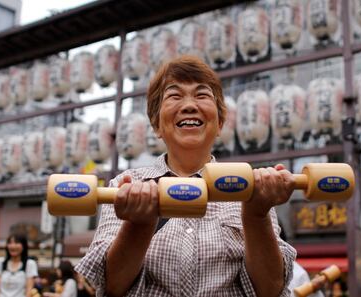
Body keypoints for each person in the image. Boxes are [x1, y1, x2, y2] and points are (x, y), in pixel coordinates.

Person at [75, 55, 296, 297]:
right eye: (175, 96)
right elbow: (111, 286)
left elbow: (270, 289)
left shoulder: (251, 188)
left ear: (220, 122)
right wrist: (138, 224)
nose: (190, 105)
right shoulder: (125, 186)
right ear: (156, 124)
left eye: (202, 95)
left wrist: (257, 214)